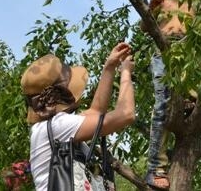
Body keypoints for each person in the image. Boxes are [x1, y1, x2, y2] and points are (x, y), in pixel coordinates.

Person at [21, 42, 135, 191]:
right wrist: (126, 72)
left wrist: (110, 67)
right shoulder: (58, 126)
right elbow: (126, 114)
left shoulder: (50, 128)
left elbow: (96, 112)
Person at [141, 0, 201, 190]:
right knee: (162, 106)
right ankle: (155, 167)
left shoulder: (200, 1)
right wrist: (150, 9)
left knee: (191, 101)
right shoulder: (165, 0)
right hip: (164, 54)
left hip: (190, 55)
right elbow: (145, 29)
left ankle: (188, 100)